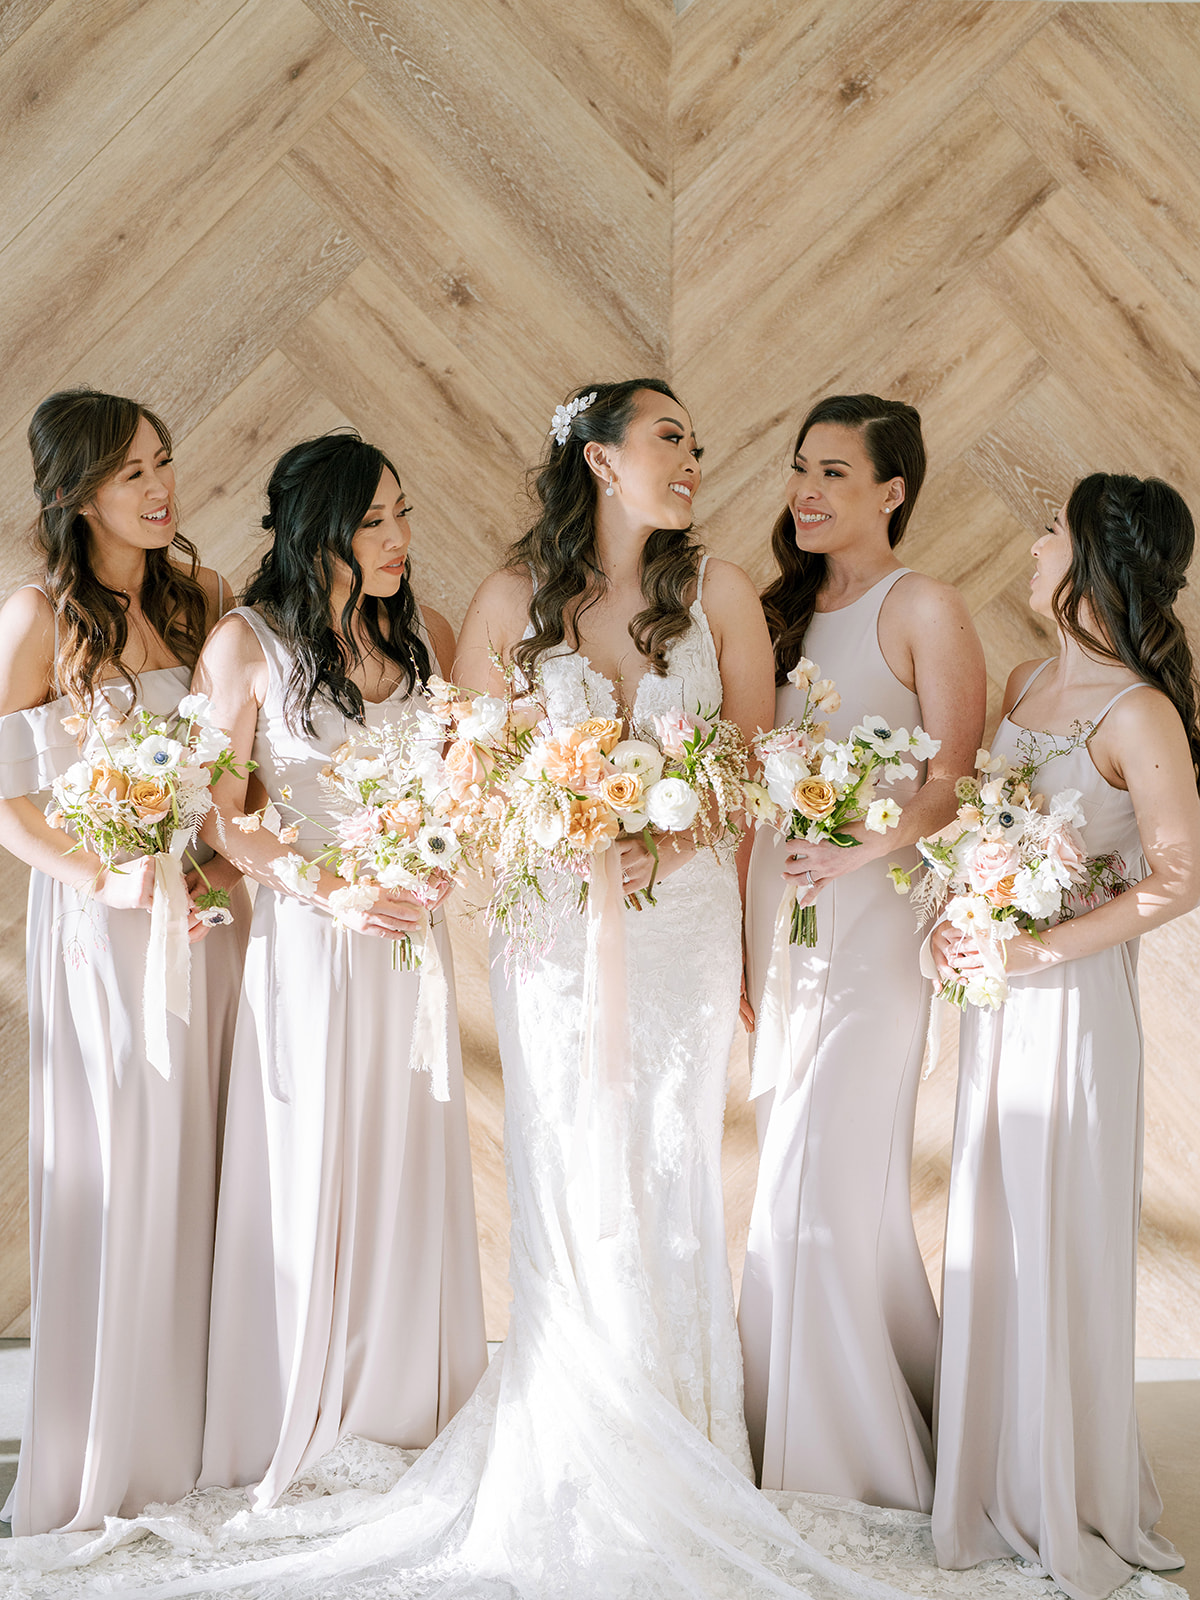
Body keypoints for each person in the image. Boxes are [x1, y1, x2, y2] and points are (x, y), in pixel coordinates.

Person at [192, 432, 487, 1509]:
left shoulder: (427, 639)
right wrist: (336, 889)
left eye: (402, 514)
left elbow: (457, 790)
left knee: (407, 1160)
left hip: (411, 944)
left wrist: (439, 866)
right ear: (318, 528)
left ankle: (406, 1406)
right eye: (375, 521)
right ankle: (300, 1411)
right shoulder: (246, 645)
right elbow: (222, 819)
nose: (402, 539)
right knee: (315, 1158)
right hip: (314, 945)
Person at [930, 474, 1198, 1599]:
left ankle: (1069, 1494)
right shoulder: (1032, 681)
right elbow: (984, 830)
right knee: (990, 1225)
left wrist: (1040, 948)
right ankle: (993, 1478)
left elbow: (1180, 877)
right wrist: (959, 914)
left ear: (1089, 557)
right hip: (999, 1009)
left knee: (1057, 1230)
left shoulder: (1138, 711)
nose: (1033, 546)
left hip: (1076, 1013)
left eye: (1050, 531)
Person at [0, 388, 245, 1534]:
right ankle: (107, 1450)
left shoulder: (205, 600)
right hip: (100, 926)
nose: (160, 489)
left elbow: (234, 771)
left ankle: (205, 1441)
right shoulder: (38, 618)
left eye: (164, 461)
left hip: (204, 915)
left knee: (204, 1156)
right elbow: (5, 803)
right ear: (75, 492)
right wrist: (109, 881)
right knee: (121, 1158)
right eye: (132, 472)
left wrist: (208, 868)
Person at [739, 394, 986, 1510]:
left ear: (894, 490)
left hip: (875, 920)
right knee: (807, 1169)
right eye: (802, 468)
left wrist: (865, 845)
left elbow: (955, 781)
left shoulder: (923, 605)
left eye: (836, 472)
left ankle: (842, 1452)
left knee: (823, 1169)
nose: (809, 490)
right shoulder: (771, 616)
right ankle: (843, 1407)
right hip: (782, 919)